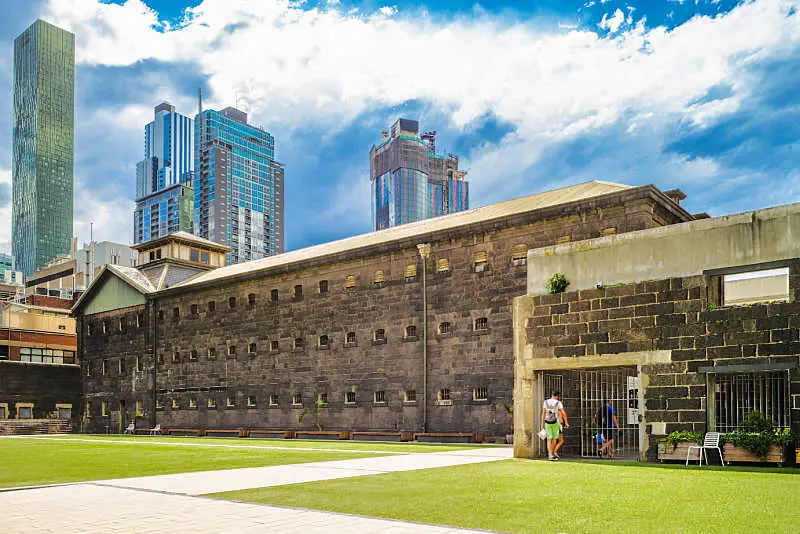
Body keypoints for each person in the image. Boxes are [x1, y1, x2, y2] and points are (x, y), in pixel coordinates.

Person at [541, 390, 569, 461]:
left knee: (548, 439)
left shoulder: (545, 402)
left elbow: (543, 414)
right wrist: (566, 422)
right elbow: (563, 413)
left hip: (547, 422)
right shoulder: (558, 403)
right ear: (557, 396)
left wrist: (542, 424)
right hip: (555, 422)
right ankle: (552, 454)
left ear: (552, 395)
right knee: (554, 438)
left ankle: (550, 455)